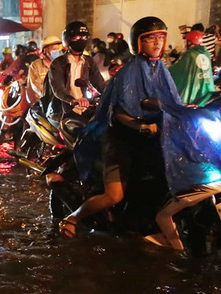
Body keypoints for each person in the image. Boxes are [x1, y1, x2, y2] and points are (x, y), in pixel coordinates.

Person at [59, 16, 221, 243]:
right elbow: (119, 113)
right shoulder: (128, 72)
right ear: (138, 42)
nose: (156, 43)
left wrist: (187, 110)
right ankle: (73, 218)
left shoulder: (162, 70)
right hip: (121, 139)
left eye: (161, 38)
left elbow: (171, 101)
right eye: (150, 38)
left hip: (152, 138)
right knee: (114, 195)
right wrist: (142, 125)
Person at [44, 21, 106, 125]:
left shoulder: (89, 61)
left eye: (84, 38)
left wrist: (110, 94)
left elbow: (99, 83)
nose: (81, 40)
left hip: (85, 108)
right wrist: (72, 101)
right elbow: (58, 89)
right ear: (67, 40)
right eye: (76, 38)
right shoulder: (58, 63)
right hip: (63, 110)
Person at [168, 29, 215, 106]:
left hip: (192, 95)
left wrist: (166, 71)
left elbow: (177, 70)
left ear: (190, 42)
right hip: (206, 92)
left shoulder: (189, 55)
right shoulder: (206, 54)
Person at [26, 36, 62, 105]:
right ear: (45, 50)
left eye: (57, 49)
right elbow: (37, 86)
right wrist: (50, 95)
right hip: (41, 103)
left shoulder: (60, 64)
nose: (56, 51)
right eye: (54, 49)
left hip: (59, 103)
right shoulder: (36, 66)